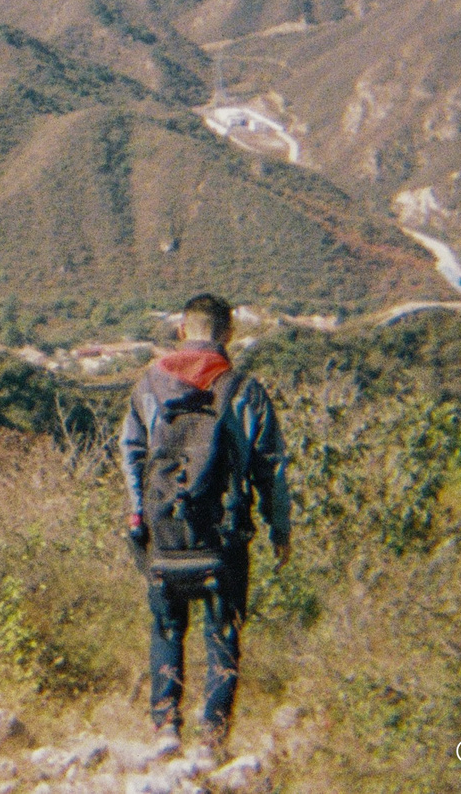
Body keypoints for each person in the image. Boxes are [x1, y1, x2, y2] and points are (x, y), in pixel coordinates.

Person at [118, 293, 291, 752]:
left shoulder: (148, 388)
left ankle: (166, 727)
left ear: (181, 331)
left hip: (165, 534)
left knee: (167, 628)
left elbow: (132, 457)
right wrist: (279, 528)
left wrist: (140, 518)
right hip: (224, 535)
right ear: (228, 333)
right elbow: (270, 466)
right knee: (224, 630)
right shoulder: (244, 389)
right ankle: (212, 739)